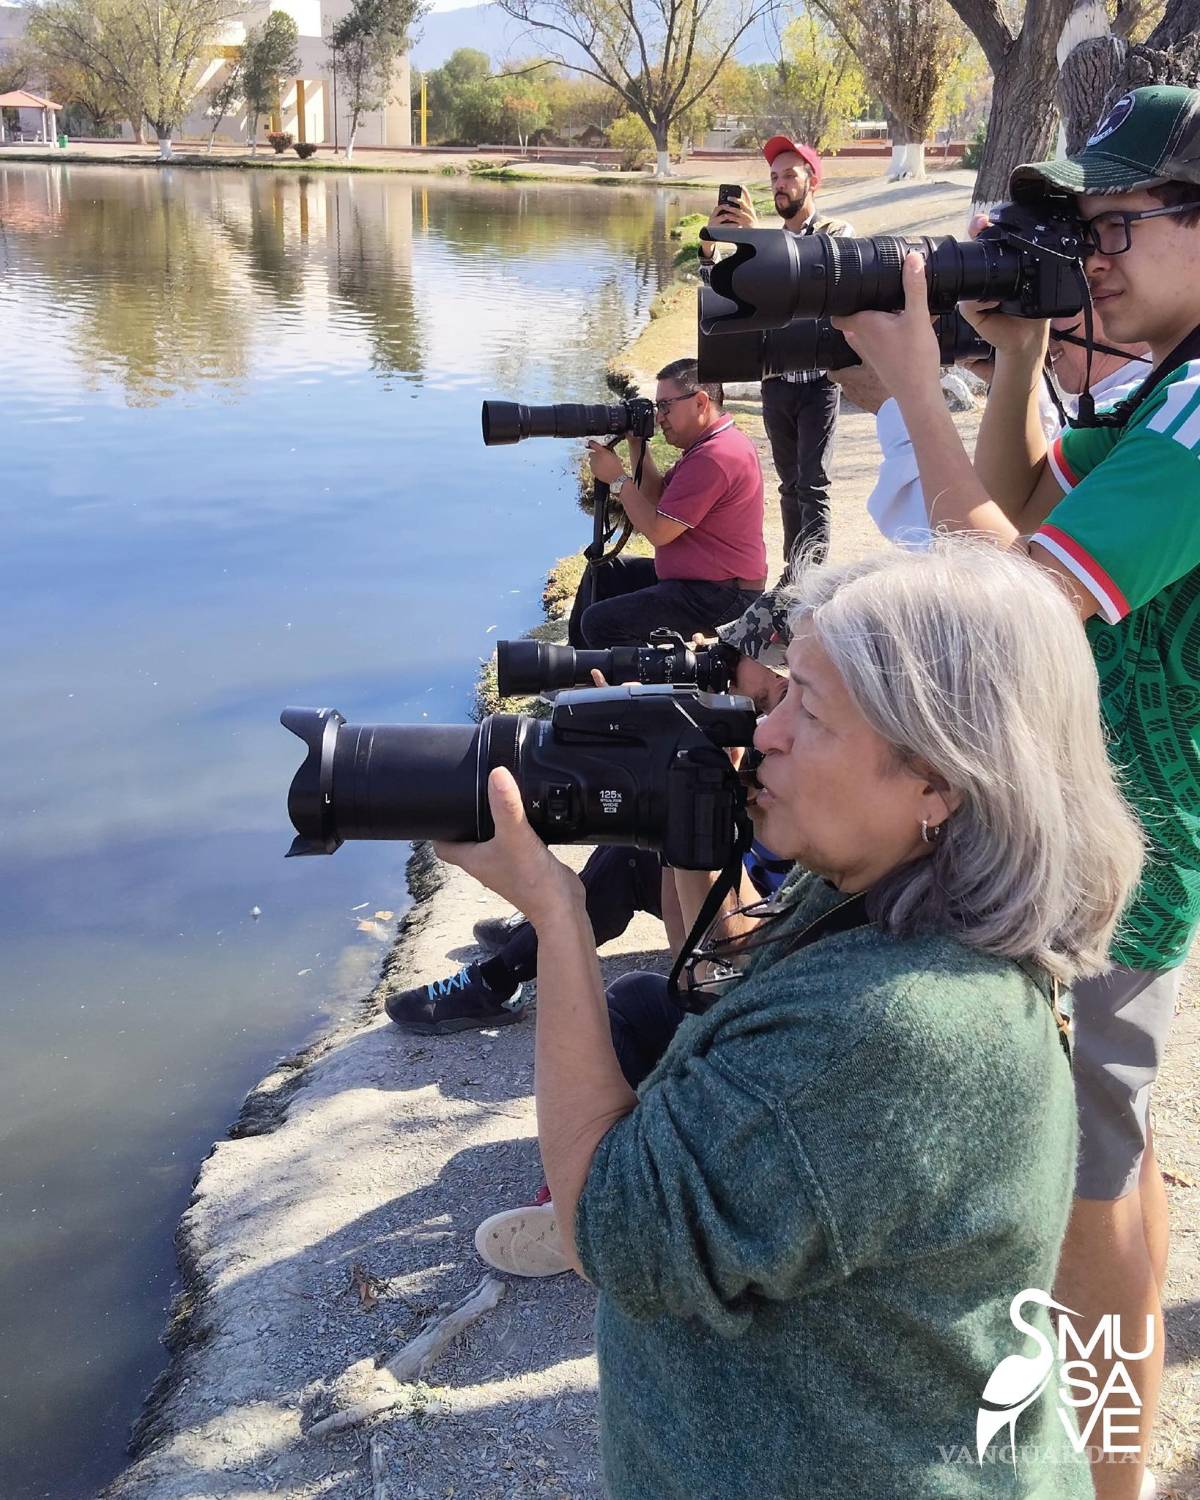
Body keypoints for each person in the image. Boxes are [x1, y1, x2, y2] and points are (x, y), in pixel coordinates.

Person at [435, 540, 1143, 1500]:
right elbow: (727, 1002)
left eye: (807, 712)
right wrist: (677, 825)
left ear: (939, 778)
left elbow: (607, 1228)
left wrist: (559, 921)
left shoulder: (899, 1028)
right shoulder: (898, 902)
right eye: (778, 699)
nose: (766, 733)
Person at [833, 85, 1200, 1500]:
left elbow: (1011, 601)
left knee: (1086, 1196)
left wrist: (910, 383)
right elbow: (1030, 510)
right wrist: (1011, 360)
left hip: (1133, 852)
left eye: (1120, 221)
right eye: (1081, 226)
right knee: (1115, 1166)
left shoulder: (1194, 418)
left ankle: (1107, 1488)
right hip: (1125, 829)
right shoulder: (1166, 384)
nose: (1094, 251)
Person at [384, 590, 792, 1035]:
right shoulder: (771, 743)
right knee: (649, 834)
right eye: (729, 664)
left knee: (636, 854)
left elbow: (722, 947)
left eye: (770, 697)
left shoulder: (800, 774)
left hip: (765, 928)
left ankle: (496, 981)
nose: (760, 726)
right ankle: (536, 936)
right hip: (739, 908)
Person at [834, 313, 1149, 545]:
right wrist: (1017, 380)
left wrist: (898, 401)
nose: (1043, 325)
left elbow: (972, 556)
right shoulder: (1134, 398)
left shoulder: (1122, 421)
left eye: (1061, 301)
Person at [698, 137, 852, 569]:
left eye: (789, 175)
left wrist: (760, 240)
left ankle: (813, 584)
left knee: (813, 486)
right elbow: (718, 292)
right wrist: (712, 243)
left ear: (812, 182)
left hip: (820, 381)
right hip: (775, 381)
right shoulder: (762, 242)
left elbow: (817, 282)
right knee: (788, 486)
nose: (779, 185)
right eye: (773, 178)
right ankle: (793, 577)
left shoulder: (836, 234)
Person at [567, 358, 767, 649]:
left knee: (601, 622)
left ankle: (633, 690)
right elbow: (658, 497)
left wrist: (618, 480)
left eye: (666, 406)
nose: (659, 417)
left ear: (700, 402)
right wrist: (637, 444)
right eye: (657, 406)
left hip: (722, 596)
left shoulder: (716, 456)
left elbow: (658, 530)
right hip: (702, 584)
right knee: (605, 570)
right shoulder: (711, 444)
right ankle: (576, 672)